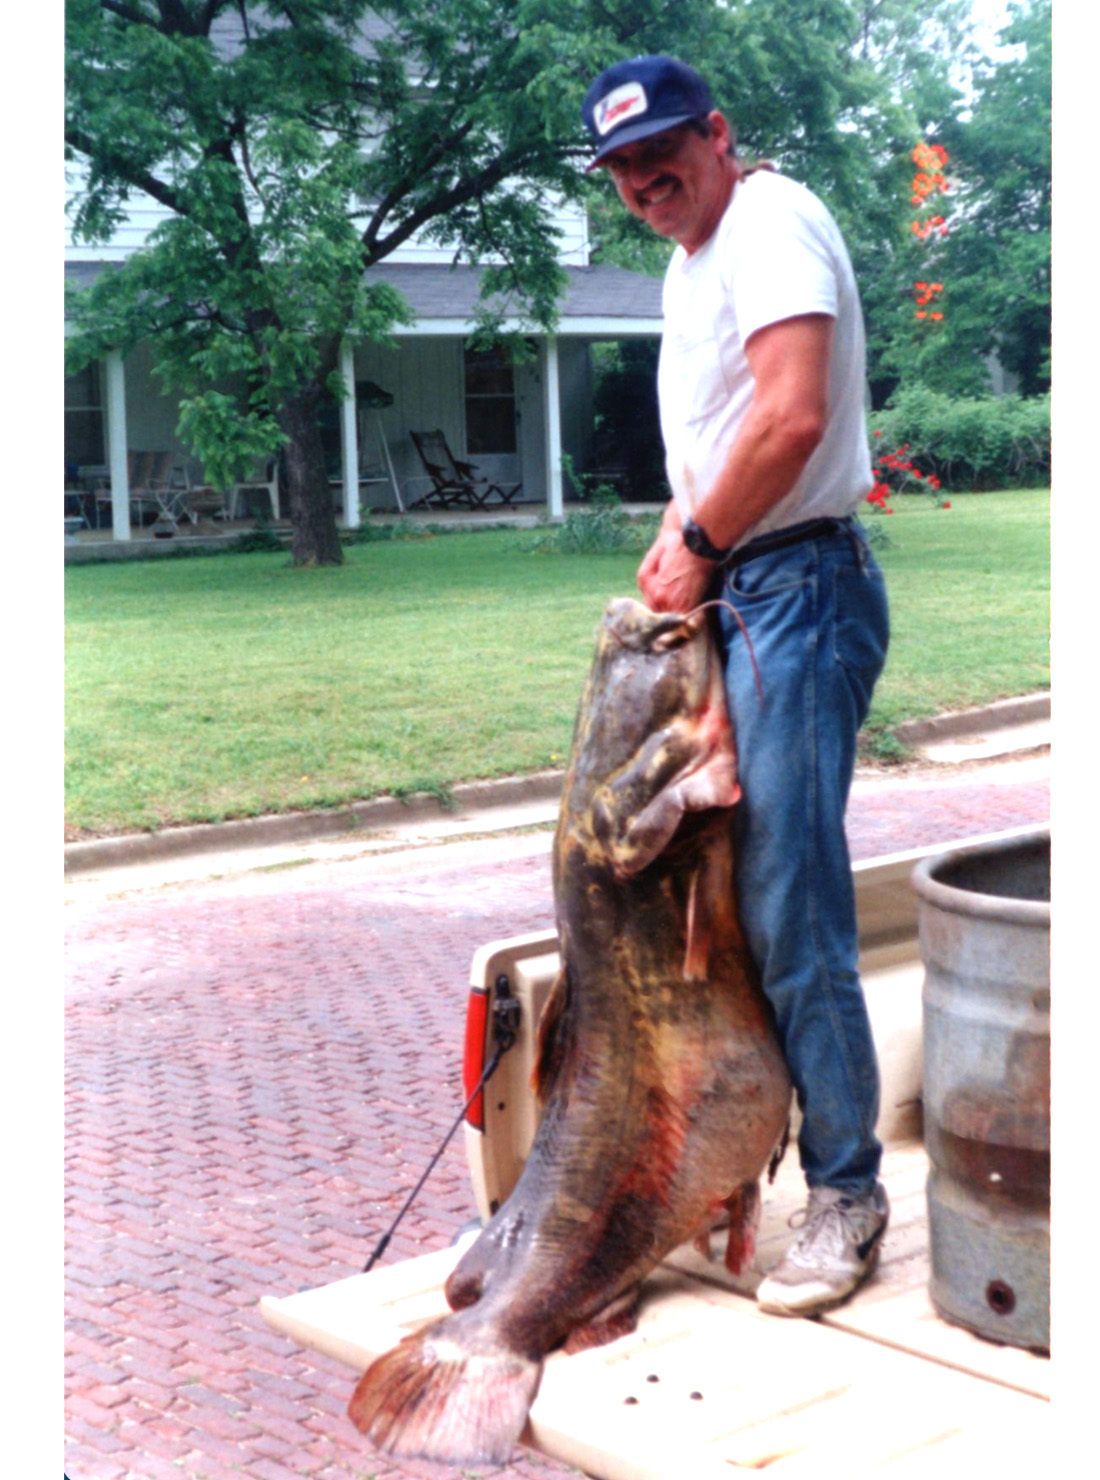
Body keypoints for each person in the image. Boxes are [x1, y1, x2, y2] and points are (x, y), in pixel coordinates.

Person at [581, 55, 891, 1317]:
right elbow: (718, 434)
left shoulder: (764, 222)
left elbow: (790, 418)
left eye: (663, 159)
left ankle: (847, 1191)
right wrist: (681, 543)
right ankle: (712, 1170)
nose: (647, 188)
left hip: (794, 588)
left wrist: (703, 543)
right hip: (739, 587)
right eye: (622, 176)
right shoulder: (691, 255)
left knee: (783, 896)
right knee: (698, 888)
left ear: (717, 134)